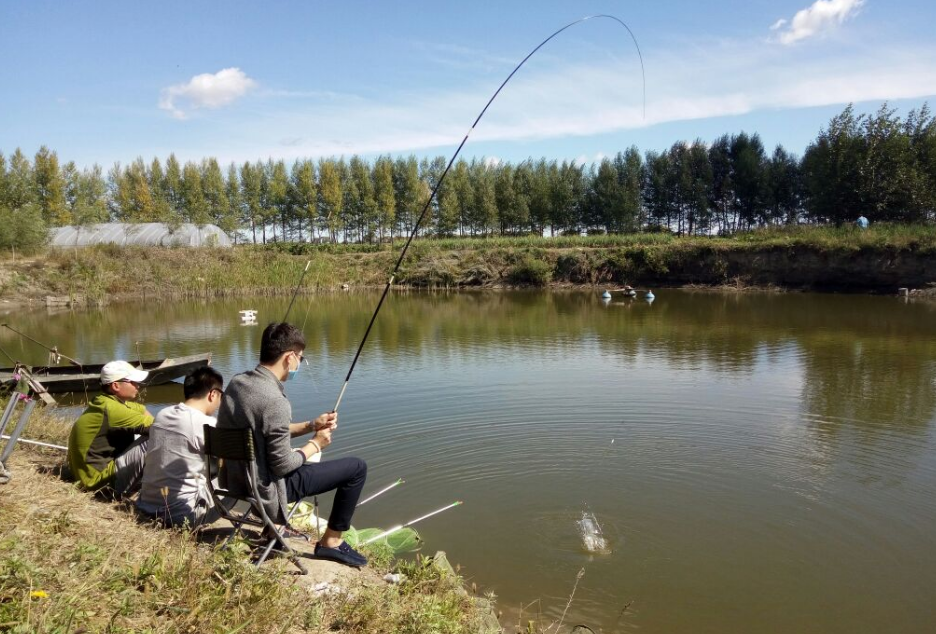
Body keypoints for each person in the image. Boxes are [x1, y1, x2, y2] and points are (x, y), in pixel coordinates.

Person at [217, 322, 368, 567]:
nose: (300, 363)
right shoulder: (275, 401)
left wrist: (310, 424)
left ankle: (272, 531)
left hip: (235, 480)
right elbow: (283, 465)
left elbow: (265, 431)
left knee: (322, 463)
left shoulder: (238, 383)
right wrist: (315, 445)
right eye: (300, 357)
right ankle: (331, 543)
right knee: (356, 469)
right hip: (266, 488)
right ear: (289, 357)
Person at [136, 367, 225, 528]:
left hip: (145, 507)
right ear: (213, 394)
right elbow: (236, 459)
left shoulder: (163, 414)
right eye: (221, 396)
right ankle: (272, 526)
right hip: (182, 516)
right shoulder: (208, 424)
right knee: (240, 478)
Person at [67, 360, 153, 498]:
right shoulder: (113, 411)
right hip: (99, 484)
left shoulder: (106, 402)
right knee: (156, 438)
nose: (138, 386)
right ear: (116, 385)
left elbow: (142, 410)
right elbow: (163, 428)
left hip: (88, 476)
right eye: (133, 382)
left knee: (150, 433)